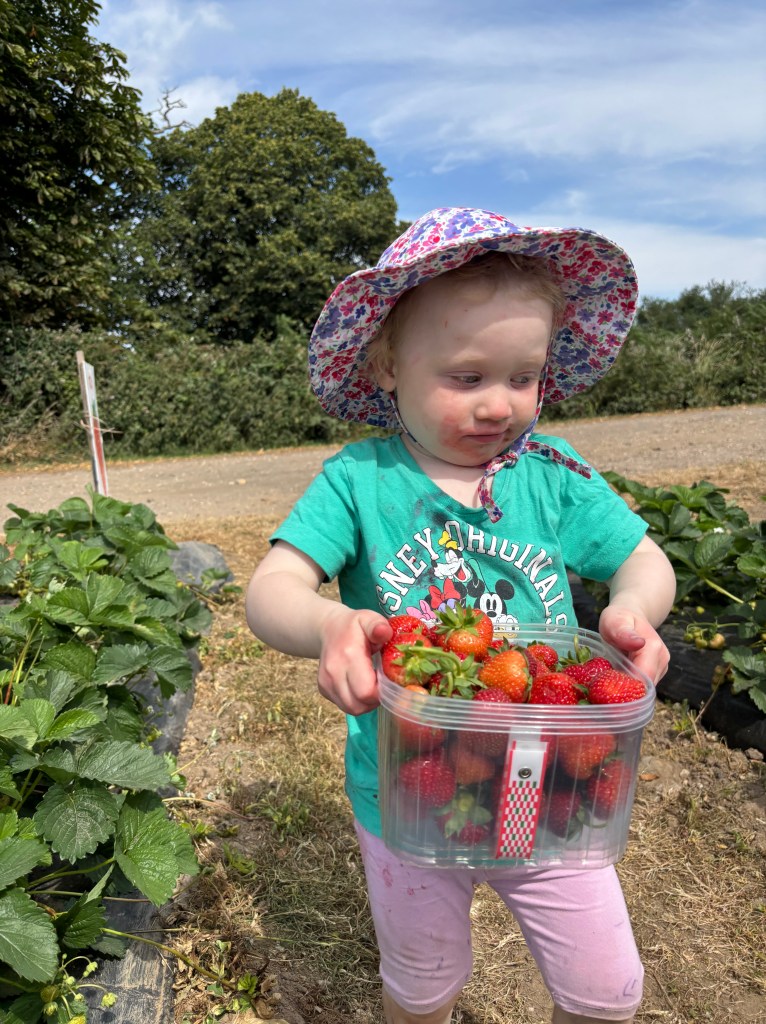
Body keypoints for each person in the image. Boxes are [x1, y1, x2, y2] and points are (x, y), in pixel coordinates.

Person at [245, 207, 676, 1024]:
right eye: (468, 378)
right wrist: (329, 624)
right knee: (422, 981)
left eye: (524, 378)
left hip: (553, 789)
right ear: (387, 366)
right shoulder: (358, 480)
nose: (500, 406)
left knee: (607, 990)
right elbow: (270, 589)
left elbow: (643, 560)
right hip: (410, 789)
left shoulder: (554, 472)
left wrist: (631, 609)